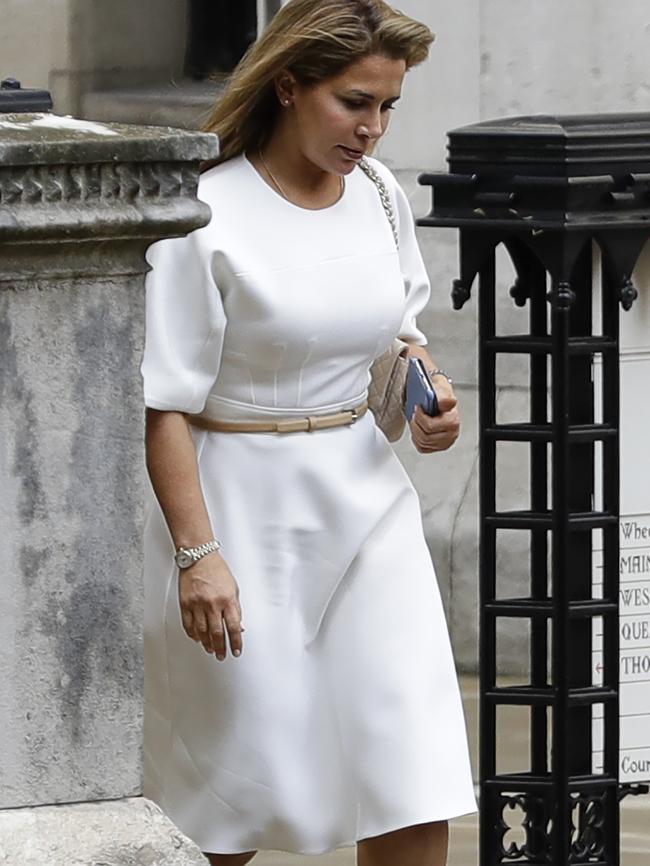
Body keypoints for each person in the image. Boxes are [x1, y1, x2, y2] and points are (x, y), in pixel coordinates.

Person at [141, 1, 477, 864]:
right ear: (288, 85)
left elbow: (399, 334)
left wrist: (427, 393)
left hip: (368, 501)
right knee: (236, 789)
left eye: (388, 107)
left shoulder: (377, 193)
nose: (372, 128)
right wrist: (196, 555)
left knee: (409, 768)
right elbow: (164, 403)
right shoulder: (204, 214)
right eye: (353, 102)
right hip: (242, 513)